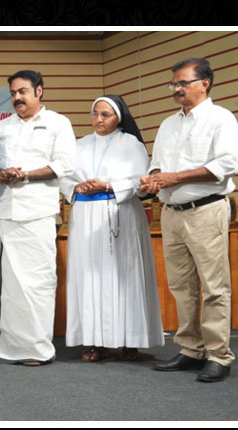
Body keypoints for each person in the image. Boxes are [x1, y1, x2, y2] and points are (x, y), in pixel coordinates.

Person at [141, 57, 238, 383]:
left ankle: (218, 356)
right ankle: (190, 349)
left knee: (214, 287)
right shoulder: (169, 124)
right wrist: (154, 178)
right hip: (171, 214)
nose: (177, 88)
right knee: (181, 287)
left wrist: (174, 179)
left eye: (183, 82)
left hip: (206, 210)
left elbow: (226, 164)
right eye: (174, 83)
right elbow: (157, 163)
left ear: (205, 83)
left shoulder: (221, 119)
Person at [0, 70, 75, 366]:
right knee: (7, 285)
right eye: (13, 93)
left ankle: (37, 349)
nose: (17, 97)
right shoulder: (2, 127)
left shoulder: (58, 123)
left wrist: (26, 174)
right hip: (5, 212)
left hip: (39, 213)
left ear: (39, 91)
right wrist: (1, 174)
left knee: (38, 283)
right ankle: (3, 347)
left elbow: (65, 165)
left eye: (22, 92)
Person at [63, 94, 164, 362]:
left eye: (105, 115)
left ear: (119, 117)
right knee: (90, 279)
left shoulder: (131, 144)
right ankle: (96, 341)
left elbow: (140, 182)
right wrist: (76, 187)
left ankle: (130, 341)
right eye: (95, 114)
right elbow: (64, 177)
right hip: (85, 217)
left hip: (120, 215)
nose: (98, 119)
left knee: (124, 277)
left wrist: (108, 186)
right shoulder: (80, 144)